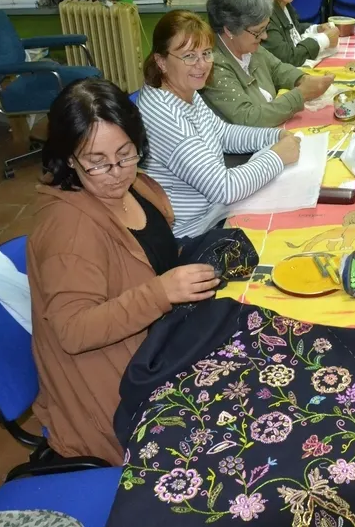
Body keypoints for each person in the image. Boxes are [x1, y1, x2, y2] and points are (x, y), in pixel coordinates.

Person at [28, 78, 220, 465]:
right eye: (96, 161)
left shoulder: (135, 187)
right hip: (113, 393)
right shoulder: (71, 232)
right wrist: (160, 293)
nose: (116, 172)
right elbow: (73, 331)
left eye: (125, 153)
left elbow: (148, 258)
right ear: (69, 158)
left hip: (158, 349)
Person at [137, 10, 301, 238]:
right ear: (161, 61)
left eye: (206, 53)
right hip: (196, 233)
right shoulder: (166, 116)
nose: (202, 65)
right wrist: (278, 156)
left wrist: (274, 137)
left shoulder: (183, 90)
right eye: (189, 56)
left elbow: (222, 134)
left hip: (215, 213)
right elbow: (224, 188)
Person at [199, 0, 333, 127]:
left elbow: (277, 69)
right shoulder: (211, 66)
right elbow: (248, 117)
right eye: (258, 31)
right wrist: (301, 95)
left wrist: (302, 79)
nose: (264, 36)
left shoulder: (247, 46)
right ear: (229, 30)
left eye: (266, 28)